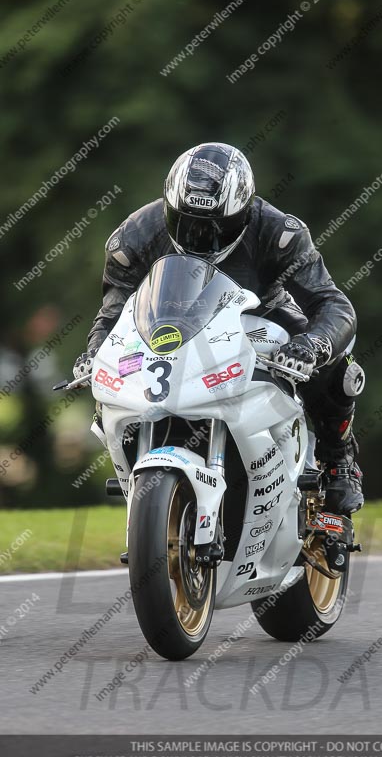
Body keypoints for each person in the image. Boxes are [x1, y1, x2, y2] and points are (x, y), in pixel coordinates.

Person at [73, 142, 364, 516]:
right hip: (168, 326)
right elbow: (111, 314)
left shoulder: (280, 233)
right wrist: (95, 353)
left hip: (261, 315)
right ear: (168, 207)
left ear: (243, 212)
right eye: (186, 223)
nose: (199, 237)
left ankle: (338, 459)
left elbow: (333, 303)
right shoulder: (133, 238)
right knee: (108, 386)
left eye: (216, 227)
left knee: (338, 367)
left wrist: (313, 344)